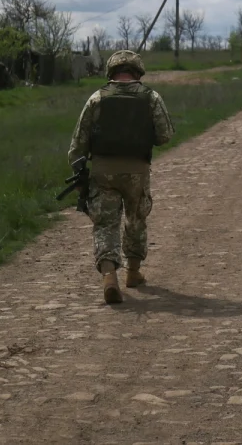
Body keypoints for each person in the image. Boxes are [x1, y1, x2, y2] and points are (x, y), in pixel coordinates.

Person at [67, 49, 174, 304]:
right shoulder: (152, 98)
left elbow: (78, 143)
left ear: (111, 73)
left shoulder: (97, 99)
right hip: (137, 170)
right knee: (136, 220)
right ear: (137, 72)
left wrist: (78, 171)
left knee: (105, 224)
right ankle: (133, 273)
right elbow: (165, 135)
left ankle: (109, 277)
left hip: (103, 171)